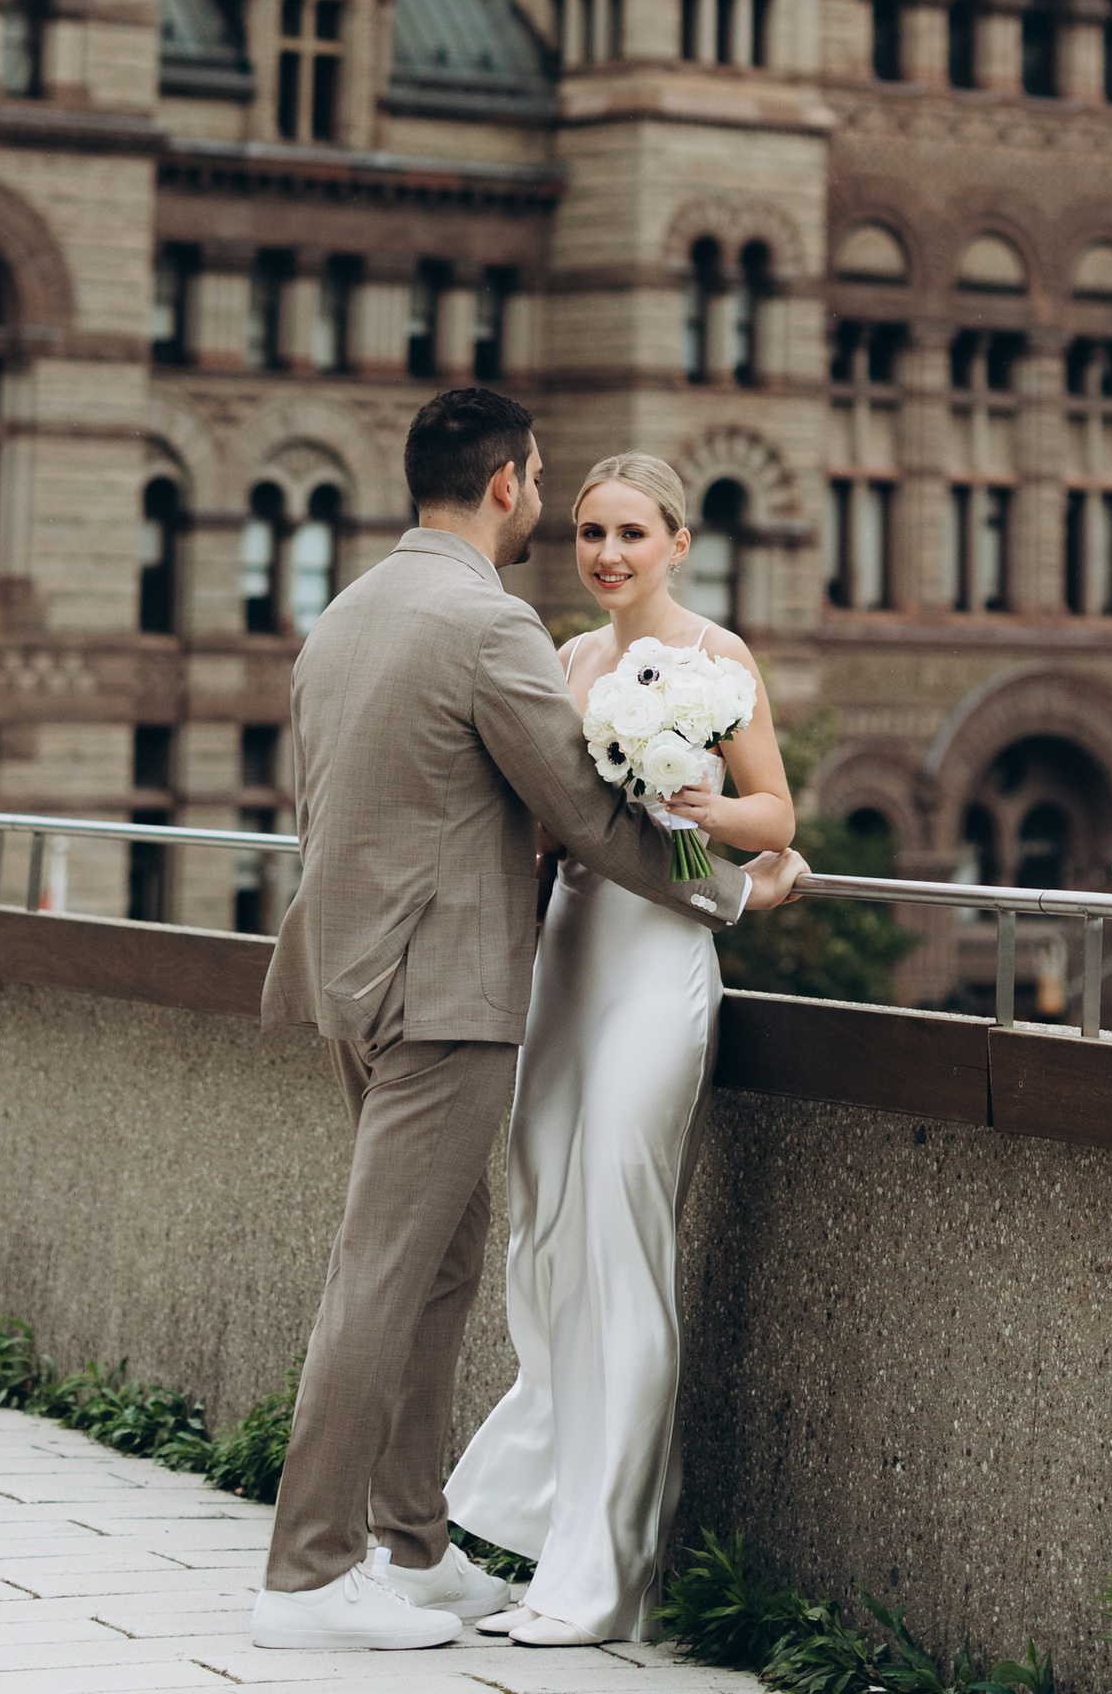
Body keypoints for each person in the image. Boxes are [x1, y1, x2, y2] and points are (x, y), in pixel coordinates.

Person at [249, 386, 808, 1657]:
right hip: (445, 989)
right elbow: (585, 812)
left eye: (628, 530)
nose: (584, 535)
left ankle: (418, 1544)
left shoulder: (346, 612)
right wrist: (740, 888)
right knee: (388, 1267)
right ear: (507, 485)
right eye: (559, 497)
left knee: (445, 1260)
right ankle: (306, 1570)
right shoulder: (489, 627)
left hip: (349, 976)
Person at [448, 449, 796, 1648]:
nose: (605, 555)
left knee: (620, 1235)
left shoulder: (720, 661)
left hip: (655, 969)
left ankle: (611, 1569)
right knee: (543, 1231)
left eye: (631, 536)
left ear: (678, 544)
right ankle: (547, 1526)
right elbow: (556, 832)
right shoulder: (566, 661)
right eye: (590, 532)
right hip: (567, 957)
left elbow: (774, 820)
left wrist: (702, 817)